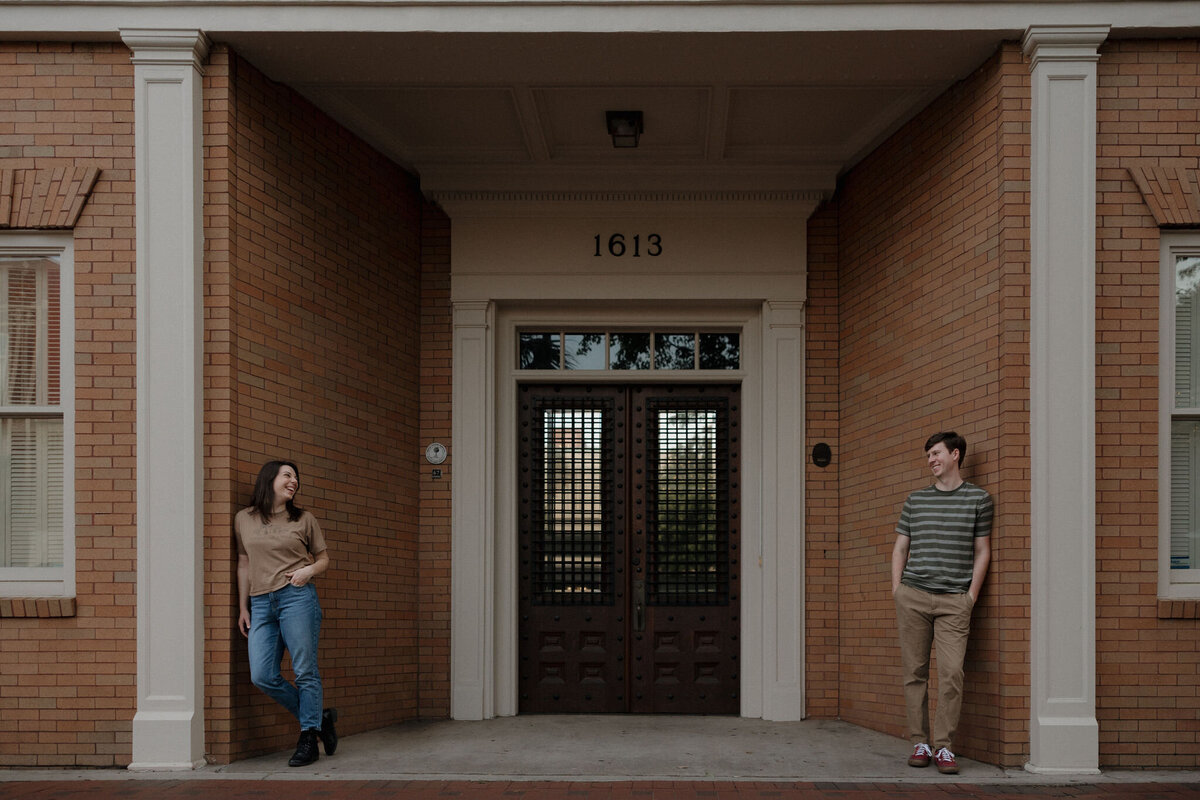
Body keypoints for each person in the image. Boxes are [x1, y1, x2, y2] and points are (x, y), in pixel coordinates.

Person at [890, 431, 992, 775]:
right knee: (915, 673)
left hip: (954, 601)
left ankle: (945, 747)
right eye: (928, 455)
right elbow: (900, 548)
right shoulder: (915, 501)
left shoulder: (979, 499)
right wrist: (897, 591)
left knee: (951, 674)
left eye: (936, 453)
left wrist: (970, 597)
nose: (931, 460)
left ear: (955, 455)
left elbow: (982, 551)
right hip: (913, 596)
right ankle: (920, 742)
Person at [236, 459, 338, 767]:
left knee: (305, 670)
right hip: (261, 604)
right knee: (262, 675)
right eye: (287, 475)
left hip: (296, 597)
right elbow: (243, 562)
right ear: (269, 480)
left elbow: (323, 559)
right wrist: (243, 607)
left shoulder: (304, 519)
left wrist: (307, 572)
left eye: (296, 477)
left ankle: (309, 736)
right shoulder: (244, 518)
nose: (293, 481)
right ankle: (319, 717)